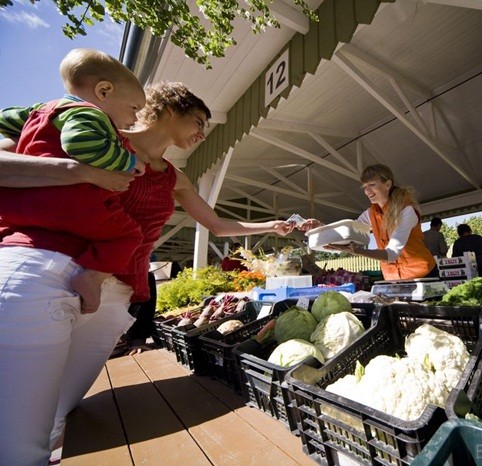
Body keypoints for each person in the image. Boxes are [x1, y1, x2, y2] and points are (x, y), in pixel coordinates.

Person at [0, 80, 294, 465]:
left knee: (64, 402)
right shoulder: (97, 134)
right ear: (171, 109)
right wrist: (77, 170)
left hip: (116, 293)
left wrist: (271, 226)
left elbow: (217, 225)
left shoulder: (174, 177)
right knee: (20, 416)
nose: (202, 132)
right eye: (199, 121)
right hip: (53, 270)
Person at [0, 48, 147, 313]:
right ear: (103, 91)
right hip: (69, 203)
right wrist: (129, 161)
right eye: (134, 108)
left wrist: (33, 125)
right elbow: (80, 143)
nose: (134, 119)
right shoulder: (91, 114)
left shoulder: (43, 110)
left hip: (18, 206)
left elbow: (5, 117)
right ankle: (91, 277)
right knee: (128, 234)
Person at [300, 164, 437, 280]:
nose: (367, 191)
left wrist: (357, 251)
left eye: (372, 184)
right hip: (393, 279)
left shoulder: (407, 210)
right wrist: (321, 227)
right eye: (365, 186)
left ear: (387, 184)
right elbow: (348, 232)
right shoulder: (371, 213)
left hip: (423, 275)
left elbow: (392, 253)